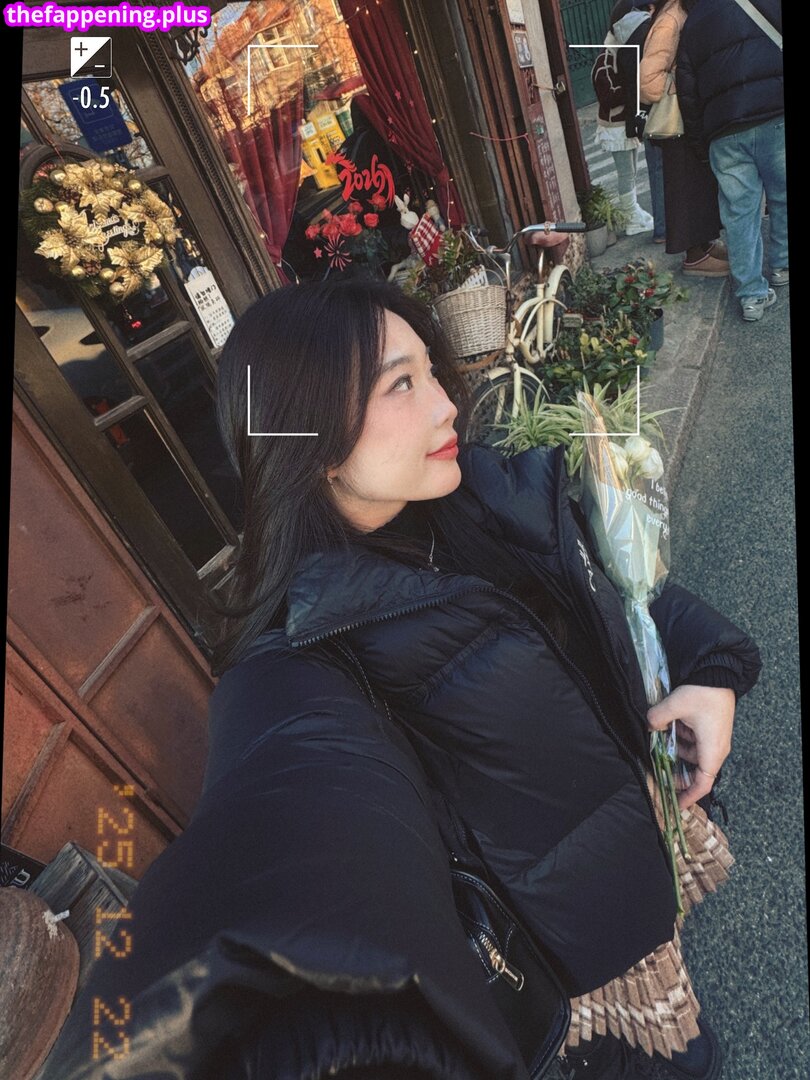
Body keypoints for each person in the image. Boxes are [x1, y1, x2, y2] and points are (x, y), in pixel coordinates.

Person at [40, 281, 760, 1080]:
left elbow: (612, 585)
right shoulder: (302, 655)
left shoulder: (480, 496)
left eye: (431, 371)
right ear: (308, 438)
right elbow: (296, 816)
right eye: (402, 384)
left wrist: (711, 669)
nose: (448, 405)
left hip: (641, 845)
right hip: (576, 952)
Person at [676, 0, 785, 322]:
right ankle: (782, 266)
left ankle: (751, 295)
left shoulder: (693, 22)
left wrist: (700, 142)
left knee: (740, 214)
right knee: (783, 197)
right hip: (775, 113)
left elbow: (687, 92)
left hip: (723, 130)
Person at [639, 0, 731, 276]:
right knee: (686, 187)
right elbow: (647, 82)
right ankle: (694, 256)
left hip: (691, 118)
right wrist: (684, 82)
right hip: (678, 122)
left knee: (699, 183)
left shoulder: (683, 13)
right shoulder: (671, 20)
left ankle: (703, 244)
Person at [592, 1, 663, 240]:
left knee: (631, 172)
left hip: (622, 123)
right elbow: (607, 96)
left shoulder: (616, 56)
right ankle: (630, 216)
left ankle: (633, 212)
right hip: (614, 126)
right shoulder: (605, 61)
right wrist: (630, 89)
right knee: (625, 173)